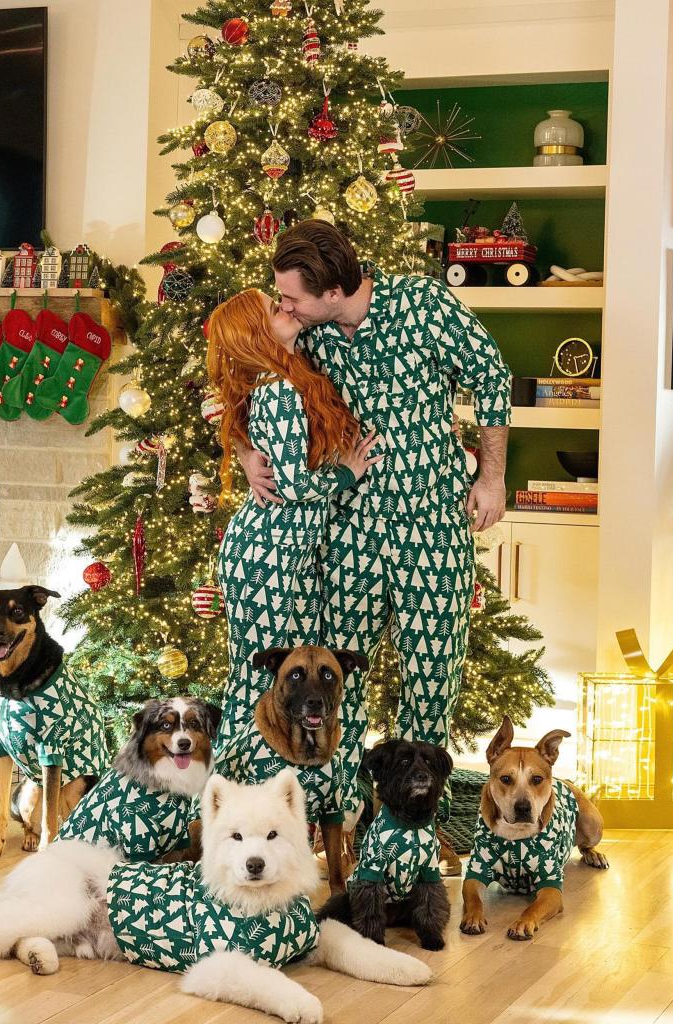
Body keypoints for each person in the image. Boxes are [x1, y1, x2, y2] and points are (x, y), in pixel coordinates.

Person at [236, 222, 512, 873]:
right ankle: (340, 828)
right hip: (351, 527)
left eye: (294, 298)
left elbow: (492, 375)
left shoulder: (420, 305)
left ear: (333, 289)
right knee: (333, 690)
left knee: (430, 684)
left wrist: (493, 475)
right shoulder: (307, 331)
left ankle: (414, 833)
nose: (285, 308)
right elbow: (243, 372)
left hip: (432, 527)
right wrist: (247, 452)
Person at [207, 289, 381, 746]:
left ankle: (280, 793)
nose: (285, 306)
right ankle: (229, 797)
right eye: (273, 308)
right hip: (267, 556)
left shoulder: (283, 374)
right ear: (256, 332)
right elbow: (293, 487)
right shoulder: (278, 389)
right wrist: (349, 471)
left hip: (287, 556)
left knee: (285, 682)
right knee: (255, 683)